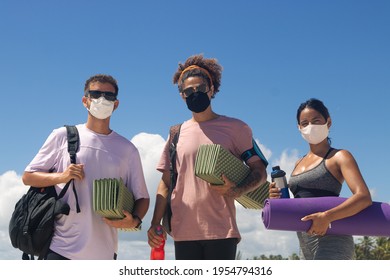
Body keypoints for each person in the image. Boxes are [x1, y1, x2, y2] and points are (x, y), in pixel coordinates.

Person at [147, 54, 268, 260]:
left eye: (200, 88)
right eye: (188, 91)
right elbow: (166, 183)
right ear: (182, 95)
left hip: (221, 230)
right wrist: (154, 223)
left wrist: (236, 190)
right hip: (182, 230)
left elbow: (260, 171)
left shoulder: (236, 128)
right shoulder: (175, 134)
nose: (195, 93)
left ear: (211, 89)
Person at [22, 74, 150, 260]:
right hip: (59, 249)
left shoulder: (128, 150)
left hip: (104, 254)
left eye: (109, 96)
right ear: (85, 101)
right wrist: (61, 176)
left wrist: (135, 220)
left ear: (116, 104)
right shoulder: (63, 135)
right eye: (96, 94)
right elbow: (28, 176)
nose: (102, 99)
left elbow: (142, 197)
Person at [269, 98, 372, 260]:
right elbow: (297, 201)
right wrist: (276, 197)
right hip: (305, 243)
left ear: (328, 122)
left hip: (334, 239)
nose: (310, 127)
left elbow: (363, 197)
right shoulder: (297, 163)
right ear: (299, 128)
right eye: (305, 123)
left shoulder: (339, 156)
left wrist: (327, 217)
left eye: (316, 121)